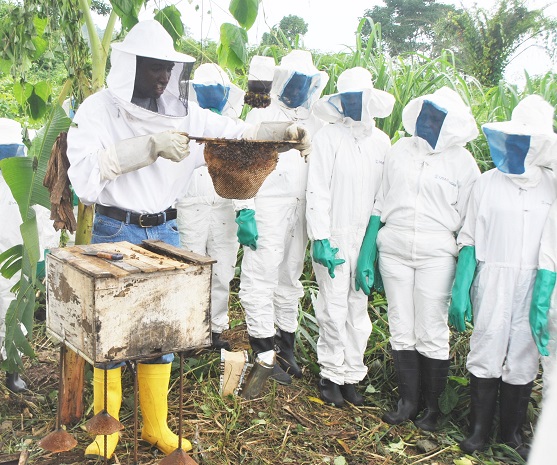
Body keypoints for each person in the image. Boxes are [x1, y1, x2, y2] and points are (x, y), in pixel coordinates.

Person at [66, 20, 310, 460]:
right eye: (155, 68)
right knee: (112, 335)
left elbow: (234, 133)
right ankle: (107, 429)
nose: (163, 78)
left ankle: (156, 425)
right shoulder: (97, 110)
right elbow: (83, 179)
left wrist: (285, 135)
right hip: (113, 230)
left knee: (161, 334)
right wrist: (149, 147)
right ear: (131, 68)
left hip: (164, 231)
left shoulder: (184, 112)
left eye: (169, 69)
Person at [364, 87, 480, 429]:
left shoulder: (462, 162)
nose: (427, 121)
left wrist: (462, 280)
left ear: (449, 123)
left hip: (436, 254)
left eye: (435, 117)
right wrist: (370, 251)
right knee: (401, 326)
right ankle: (407, 402)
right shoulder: (400, 150)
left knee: (430, 330)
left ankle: (433, 409)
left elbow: (469, 223)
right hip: (395, 248)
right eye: (425, 114)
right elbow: (381, 201)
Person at [449, 95, 557, 459]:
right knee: (487, 345)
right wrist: (461, 287)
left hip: (535, 280)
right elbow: (469, 238)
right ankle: (478, 431)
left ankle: (510, 431)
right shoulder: (486, 182)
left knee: (524, 354)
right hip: (493, 275)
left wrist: (545, 291)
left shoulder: (551, 186)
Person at [236, 50, 328, 385]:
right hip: (267, 206)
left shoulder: (313, 118)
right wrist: (243, 209)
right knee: (260, 278)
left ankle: (285, 348)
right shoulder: (262, 113)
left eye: (305, 83)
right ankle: (263, 353)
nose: (299, 89)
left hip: (299, 209)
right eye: (294, 81)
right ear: (281, 80)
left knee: (289, 278)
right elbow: (240, 161)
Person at [306, 67, 394, 407]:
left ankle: (352, 376)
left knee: (358, 307)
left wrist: (372, 247)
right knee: (333, 306)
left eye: (358, 98)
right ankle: (330, 374)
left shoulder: (382, 142)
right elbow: (317, 190)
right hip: (335, 234)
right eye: (347, 99)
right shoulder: (328, 137)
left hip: (365, 238)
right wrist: (321, 238)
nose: (353, 105)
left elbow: (381, 198)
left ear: (369, 98)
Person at [176, 63, 245, 351]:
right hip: (190, 205)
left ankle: (216, 331)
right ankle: (189, 332)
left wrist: (246, 209)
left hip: (225, 206)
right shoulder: (184, 121)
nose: (211, 95)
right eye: (206, 91)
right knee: (191, 270)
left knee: (222, 270)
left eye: (216, 91)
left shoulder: (232, 128)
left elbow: (244, 171)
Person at [0, 118, 60, 392]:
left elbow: (44, 219)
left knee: (15, 313)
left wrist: (42, 257)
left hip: (18, 258)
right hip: (13, 257)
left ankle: (11, 372)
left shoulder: (29, 176)